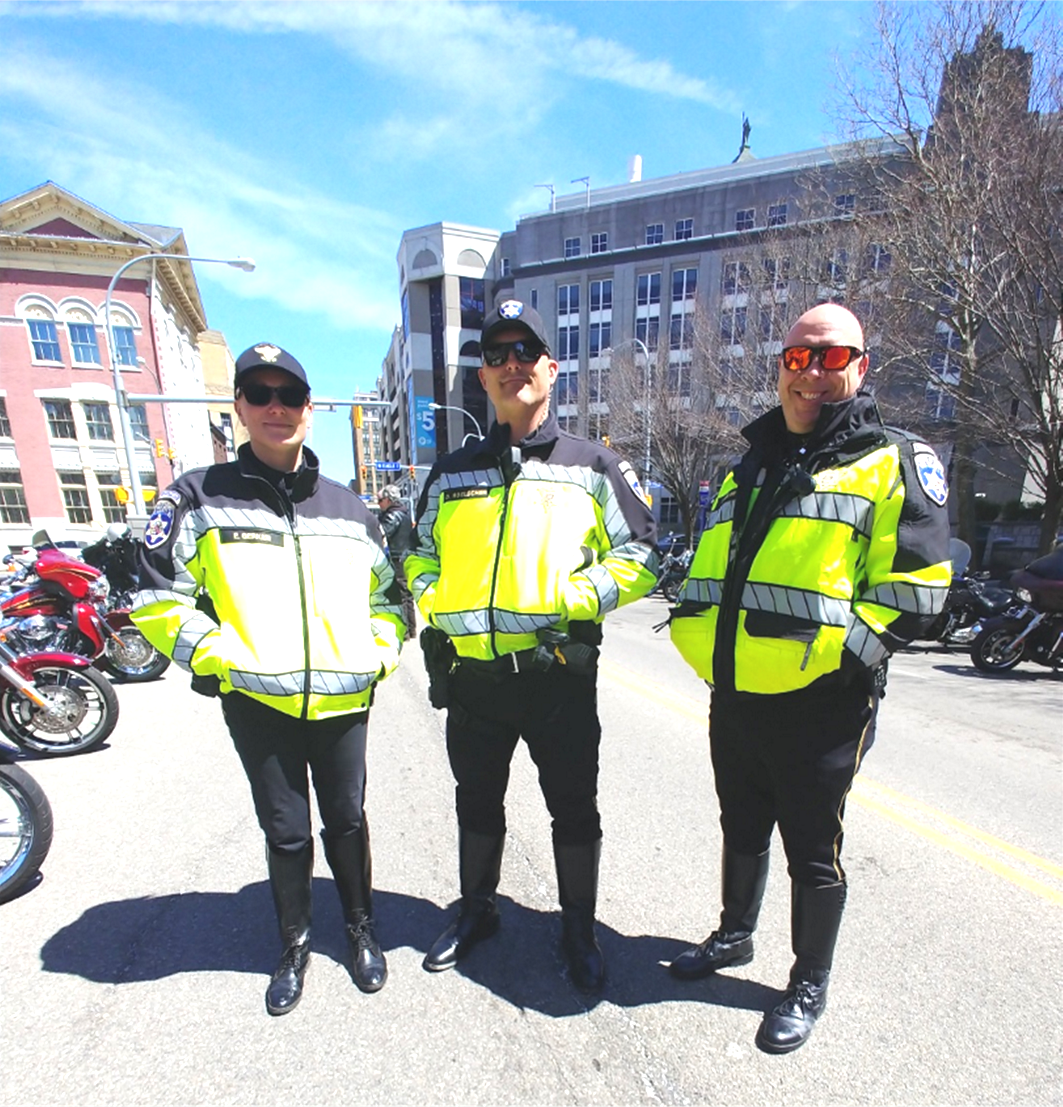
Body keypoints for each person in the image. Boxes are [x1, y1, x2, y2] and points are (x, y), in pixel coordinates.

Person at [669, 304, 951, 1052]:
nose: (813, 373)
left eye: (831, 357)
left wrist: (840, 666)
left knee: (810, 850)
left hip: (822, 707)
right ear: (781, 366)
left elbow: (918, 590)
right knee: (740, 826)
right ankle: (733, 935)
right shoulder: (750, 460)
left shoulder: (893, 459)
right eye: (799, 357)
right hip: (735, 695)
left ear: (861, 365)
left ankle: (807, 979)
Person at [131, 342, 405, 1016]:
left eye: (288, 395)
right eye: (259, 394)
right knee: (286, 831)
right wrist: (218, 655)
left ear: (309, 410)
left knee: (345, 821)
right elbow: (155, 596)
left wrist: (374, 653)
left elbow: (392, 600)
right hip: (258, 702)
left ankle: (360, 930)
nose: (275, 407)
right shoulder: (197, 495)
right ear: (240, 408)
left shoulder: (349, 507)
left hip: (344, 702)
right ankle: (294, 943)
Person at [405, 299, 658, 993]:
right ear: (482, 376)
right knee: (475, 801)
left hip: (554, 676)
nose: (510, 363)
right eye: (496, 354)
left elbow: (642, 555)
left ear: (551, 367)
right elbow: (416, 552)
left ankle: (577, 927)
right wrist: (433, 595)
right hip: (475, 680)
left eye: (525, 351)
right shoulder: (451, 472)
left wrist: (571, 599)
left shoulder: (595, 464)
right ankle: (476, 910)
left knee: (573, 808)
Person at [377, 484, 416, 640]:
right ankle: (411, 629)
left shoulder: (393, 515)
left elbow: (382, 532)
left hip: (397, 558)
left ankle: (405, 630)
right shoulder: (404, 513)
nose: (379, 504)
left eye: (380, 500)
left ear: (388, 499)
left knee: (401, 594)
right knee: (407, 594)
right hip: (405, 556)